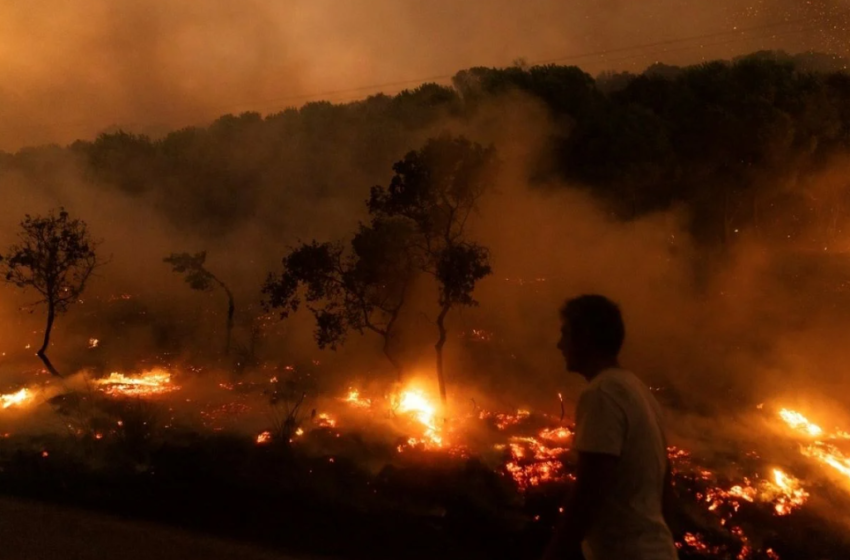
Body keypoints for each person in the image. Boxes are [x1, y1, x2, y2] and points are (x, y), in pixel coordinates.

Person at [543, 295, 677, 560]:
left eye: (566, 334)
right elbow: (666, 489)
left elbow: (589, 490)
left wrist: (554, 554)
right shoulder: (636, 389)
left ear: (587, 337)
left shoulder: (602, 393)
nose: (560, 345)